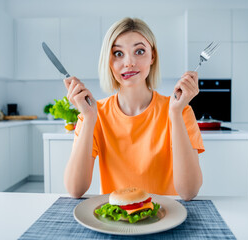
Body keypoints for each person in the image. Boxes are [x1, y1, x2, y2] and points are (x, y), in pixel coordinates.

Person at [63, 17, 205, 201]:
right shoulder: (92, 115)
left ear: (152, 56)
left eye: (139, 51)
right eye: (118, 53)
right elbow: (75, 190)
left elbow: (189, 192)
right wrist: (89, 119)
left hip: (164, 217)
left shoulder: (180, 111)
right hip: (116, 220)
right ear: (108, 60)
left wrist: (175, 114)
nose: (129, 62)